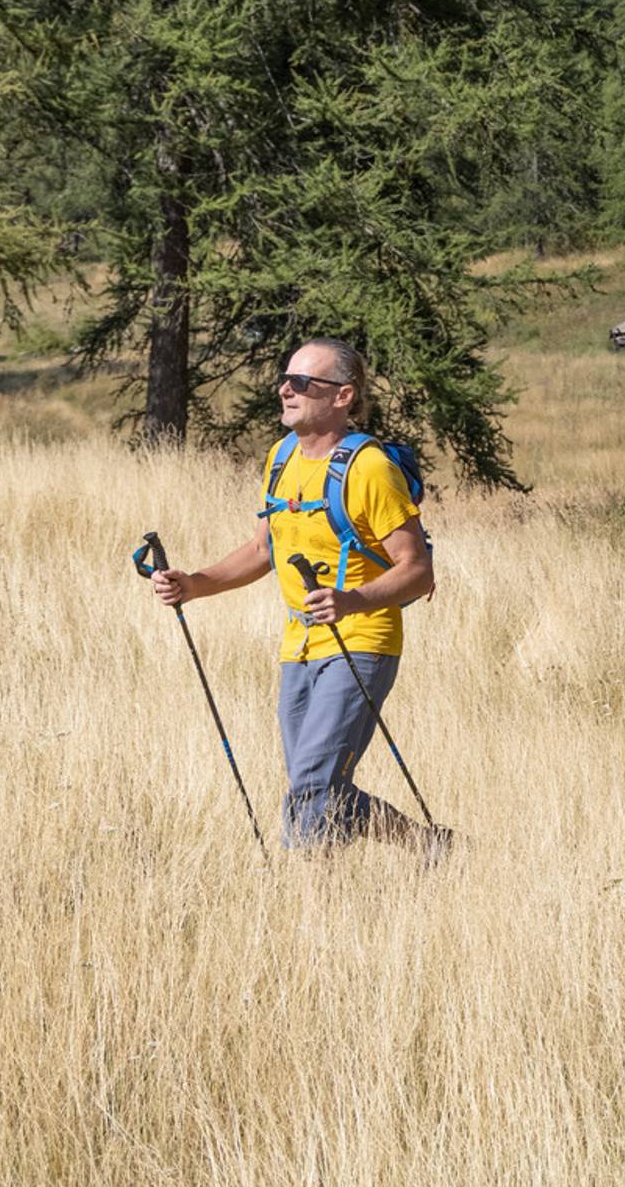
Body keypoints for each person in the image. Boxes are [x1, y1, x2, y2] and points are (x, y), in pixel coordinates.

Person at [148, 338, 435, 848]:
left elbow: (417, 571)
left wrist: (351, 600)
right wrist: (194, 585)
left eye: (302, 382)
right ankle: (431, 847)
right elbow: (264, 549)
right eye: (285, 379)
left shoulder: (370, 469)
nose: (285, 389)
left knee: (313, 784)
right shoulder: (281, 458)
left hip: (362, 641)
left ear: (343, 395)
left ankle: (307, 888)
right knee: (319, 786)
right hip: (298, 646)